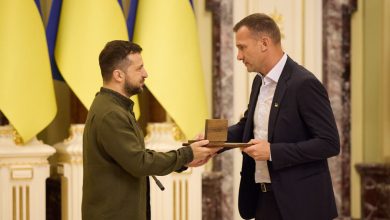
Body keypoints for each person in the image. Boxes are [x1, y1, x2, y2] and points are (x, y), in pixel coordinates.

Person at [82, 40, 220, 220]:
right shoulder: (111, 114)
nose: (145, 74)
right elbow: (139, 162)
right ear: (118, 75)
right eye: (139, 69)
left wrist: (184, 161)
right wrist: (186, 155)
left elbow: (134, 156)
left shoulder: (114, 108)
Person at [228, 13, 340, 220]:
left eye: (242, 47)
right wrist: (213, 140)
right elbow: (247, 126)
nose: (239, 56)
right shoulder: (258, 83)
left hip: (301, 205)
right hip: (263, 200)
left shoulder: (304, 84)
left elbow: (329, 143)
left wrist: (272, 151)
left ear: (264, 43)